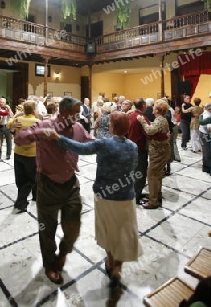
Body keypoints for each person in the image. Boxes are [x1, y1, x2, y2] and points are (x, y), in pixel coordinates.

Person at [44, 111, 142, 287]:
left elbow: (80, 148)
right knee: (123, 230)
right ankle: (118, 267)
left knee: (108, 229)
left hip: (105, 195)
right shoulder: (133, 147)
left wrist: (57, 137)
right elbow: (133, 168)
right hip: (126, 196)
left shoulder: (104, 144)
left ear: (112, 127)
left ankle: (111, 262)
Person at [14, 97, 93, 284]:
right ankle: (50, 264)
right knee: (47, 229)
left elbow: (91, 143)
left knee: (73, 228)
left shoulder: (78, 128)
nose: (78, 116)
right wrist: (41, 133)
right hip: (47, 184)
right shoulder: (45, 124)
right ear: (63, 112)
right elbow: (19, 139)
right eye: (75, 113)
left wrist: (113, 145)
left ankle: (63, 253)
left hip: (71, 184)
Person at [137, 99, 170, 209]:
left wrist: (142, 121)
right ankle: (156, 195)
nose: (152, 109)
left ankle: (153, 201)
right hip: (162, 151)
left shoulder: (160, 120)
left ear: (157, 110)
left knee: (152, 175)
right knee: (157, 174)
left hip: (158, 152)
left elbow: (150, 131)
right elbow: (156, 128)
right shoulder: (161, 119)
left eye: (154, 107)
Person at [9, 101, 39, 212]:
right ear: (34, 110)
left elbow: (9, 125)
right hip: (31, 154)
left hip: (18, 153)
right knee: (31, 179)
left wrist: (17, 115)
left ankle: (22, 201)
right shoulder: (37, 122)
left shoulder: (18, 120)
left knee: (20, 178)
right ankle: (21, 202)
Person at [128, 98, 149, 205]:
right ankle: (136, 197)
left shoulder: (130, 116)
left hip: (129, 148)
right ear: (144, 105)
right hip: (139, 149)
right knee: (140, 173)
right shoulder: (142, 118)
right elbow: (149, 133)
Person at [199, 103, 211, 174]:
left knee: (206, 150)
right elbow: (209, 128)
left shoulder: (206, 112)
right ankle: (206, 167)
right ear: (209, 109)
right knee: (206, 150)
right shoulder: (207, 115)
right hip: (205, 135)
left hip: (203, 134)